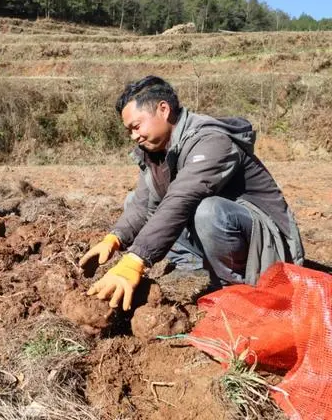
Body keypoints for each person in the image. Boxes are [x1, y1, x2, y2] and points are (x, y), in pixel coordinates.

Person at [80, 76, 304, 310]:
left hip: (269, 243)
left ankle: (237, 293)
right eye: (129, 131)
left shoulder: (211, 140)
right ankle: (194, 267)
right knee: (134, 203)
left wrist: (135, 260)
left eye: (136, 127)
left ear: (163, 110)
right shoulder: (156, 153)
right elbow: (141, 204)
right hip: (225, 236)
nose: (133, 136)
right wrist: (114, 238)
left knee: (207, 211)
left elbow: (181, 199)